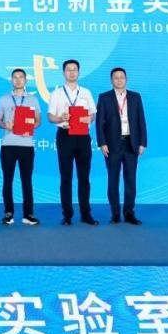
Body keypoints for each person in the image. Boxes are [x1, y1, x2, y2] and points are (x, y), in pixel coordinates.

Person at [47, 59, 99, 226]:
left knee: (84, 177)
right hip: (65, 136)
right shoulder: (56, 93)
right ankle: (67, 215)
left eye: (74, 69)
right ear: (63, 73)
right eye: (68, 70)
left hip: (83, 136)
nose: (71, 72)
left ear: (78, 72)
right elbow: (50, 117)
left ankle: (86, 214)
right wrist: (60, 118)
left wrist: (89, 118)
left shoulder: (86, 92)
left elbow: (93, 114)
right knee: (66, 177)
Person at [96, 67, 148, 225]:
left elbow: (141, 120)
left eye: (122, 77)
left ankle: (129, 213)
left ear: (126, 79)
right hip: (112, 145)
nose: (119, 80)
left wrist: (142, 142)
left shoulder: (135, 97)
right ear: (111, 80)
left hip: (131, 143)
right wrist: (102, 143)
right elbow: (99, 123)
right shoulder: (104, 97)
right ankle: (115, 214)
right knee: (113, 180)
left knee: (130, 180)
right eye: (116, 77)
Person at [0, 68, 42, 226]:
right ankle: (8, 213)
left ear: (25, 80)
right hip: (8, 144)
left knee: (26, 180)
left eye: (21, 77)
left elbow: (38, 120)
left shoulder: (33, 99)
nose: (18, 80)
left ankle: (28, 214)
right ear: (11, 80)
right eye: (15, 77)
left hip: (26, 145)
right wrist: (5, 125)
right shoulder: (4, 99)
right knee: (7, 179)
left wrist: (30, 127)